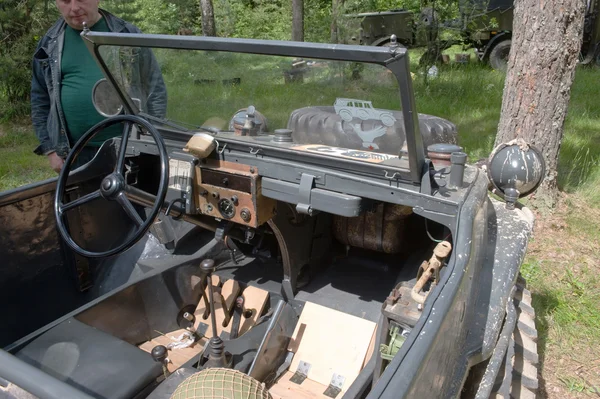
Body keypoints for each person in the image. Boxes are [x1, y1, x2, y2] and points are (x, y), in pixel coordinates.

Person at [31, 0, 167, 173]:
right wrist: (51, 150)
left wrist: (151, 139)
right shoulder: (48, 43)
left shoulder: (126, 34)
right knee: (84, 200)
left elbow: (155, 89)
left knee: (136, 199)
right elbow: (39, 98)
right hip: (75, 153)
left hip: (129, 150)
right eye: (65, 1)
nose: (74, 8)